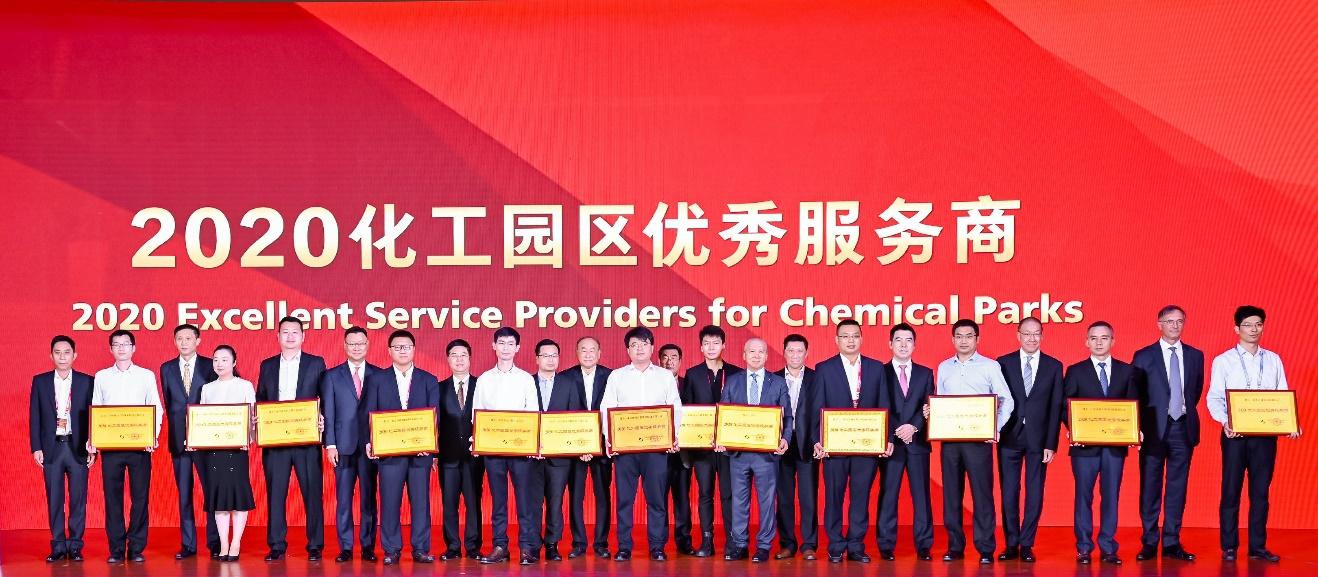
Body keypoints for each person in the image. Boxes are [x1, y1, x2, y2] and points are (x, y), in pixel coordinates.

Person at [1208, 305, 1300, 563]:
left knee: (1260, 492)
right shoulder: (1224, 361)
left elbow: (1282, 396)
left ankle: (1257, 546)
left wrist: (1290, 423)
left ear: (1263, 327)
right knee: (1231, 490)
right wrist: (1226, 421)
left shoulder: (1273, 360)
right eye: (1248, 325)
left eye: (1258, 324)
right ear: (1237, 328)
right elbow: (1214, 397)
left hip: (1265, 437)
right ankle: (1229, 546)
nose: (1253, 329)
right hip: (1234, 435)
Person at [930, 319, 1013, 564]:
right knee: (951, 495)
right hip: (950, 441)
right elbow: (940, 400)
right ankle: (955, 546)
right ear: (952, 339)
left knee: (982, 494)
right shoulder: (944, 367)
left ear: (977, 339)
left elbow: (1006, 400)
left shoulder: (990, 366)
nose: (963, 340)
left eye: (969, 336)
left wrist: (995, 429)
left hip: (979, 441)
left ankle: (985, 548)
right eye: (959, 336)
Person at [810, 319, 893, 564]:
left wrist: (886, 439)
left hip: (867, 446)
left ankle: (856, 545)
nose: (850, 340)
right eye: (845, 336)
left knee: (860, 498)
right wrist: (817, 440)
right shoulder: (824, 368)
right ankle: (836, 545)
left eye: (855, 335)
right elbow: (817, 407)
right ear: (837, 340)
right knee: (833, 498)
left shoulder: (876, 368)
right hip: (834, 446)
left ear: (861, 339)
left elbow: (884, 404)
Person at [600, 327, 683, 562]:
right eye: (634, 345)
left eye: (644, 344)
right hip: (625, 449)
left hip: (656, 449)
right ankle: (624, 546)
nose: (639, 349)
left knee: (656, 499)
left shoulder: (664, 376)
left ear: (652, 348)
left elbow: (675, 407)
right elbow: (607, 408)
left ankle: (657, 546)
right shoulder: (617, 376)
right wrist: (609, 438)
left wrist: (673, 435)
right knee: (624, 500)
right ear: (627, 349)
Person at [1063, 321, 1142, 565]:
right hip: (1083, 447)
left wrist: (1134, 430)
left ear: (1113, 341)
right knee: (1083, 497)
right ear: (1086, 341)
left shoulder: (1127, 371)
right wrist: (1073, 429)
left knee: (1110, 497)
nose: (1099, 342)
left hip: (1114, 447)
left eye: (1104, 338)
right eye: (1094, 338)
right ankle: (1084, 547)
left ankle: (1108, 547)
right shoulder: (1075, 371)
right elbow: (1065, 406)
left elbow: (1133, 405)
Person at [1132, 306, 1203, 562]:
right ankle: (1150, 541)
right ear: (1159, 324)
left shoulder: (1195, 355)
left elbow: (1195, 391)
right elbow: (1135, 393)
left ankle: (1172, 541)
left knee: (1177, 487)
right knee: (1150, 486)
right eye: (1169, 321)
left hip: (1183, 427)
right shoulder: (1143, 356)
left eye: (1179, 321)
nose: (1175, 325)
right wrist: (1138, 427)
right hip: (1153, 430)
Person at [364, 330, 440, 565]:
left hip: (420, 453)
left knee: (421, 502)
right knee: (389, 502)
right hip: (389, 454)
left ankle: (421, 549)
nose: (402, 351)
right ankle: (391, 550)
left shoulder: (429, 379)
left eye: (406, 346)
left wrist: (430, 443)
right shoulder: (377, 379)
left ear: (414, 349)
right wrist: (370, 441)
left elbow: (435, 416)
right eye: (397, 347)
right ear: (389, 351)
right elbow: (369, 412)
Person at [255, 316, 327, 562]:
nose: (290, 336)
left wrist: (322, 419)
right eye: (285, 331)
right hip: (275, 441)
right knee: (276, 494)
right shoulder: (267, 365)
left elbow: (325, 397)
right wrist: (259, 417)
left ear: (303, 336)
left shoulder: (316, 363)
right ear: (278, 336)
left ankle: (315, 545)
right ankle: (277, 544)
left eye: (295, 331)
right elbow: (261, 398)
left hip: (306, 440)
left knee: (312, 493)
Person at [89, 329, 163, 563]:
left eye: (126, 344)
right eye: (116, 344)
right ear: (110, 349)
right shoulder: (101, 376)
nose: (121, 348)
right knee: (113, 499)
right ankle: (117, 548)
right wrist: (94, 439)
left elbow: (156, 408)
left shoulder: (146, 376)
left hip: (140, 446)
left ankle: (137, 547)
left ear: (134, 348)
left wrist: (152, 436)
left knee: (140, 498)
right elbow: (96, 408)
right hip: (111, 448)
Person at [717, 338, 793, 563]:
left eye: (761, 352)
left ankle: (763, 546)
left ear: (767, 356)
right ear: (744, 355)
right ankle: (740, 544)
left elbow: (788, 416)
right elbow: (723, 415)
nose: (756, 356)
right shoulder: (732, 381)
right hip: (738, 454)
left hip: (767, 455)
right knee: (739, 501)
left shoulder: (778, 383)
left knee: (767, 502)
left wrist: (785, 439)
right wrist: (720, 437)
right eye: (752, 351)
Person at [995, 317, 1063, 563]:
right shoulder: (1003, 363)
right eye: (1027, 333)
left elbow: (1056, 406)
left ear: (1042, 336)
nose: (1032, 338)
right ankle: (1011, 543)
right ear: (1018, 335)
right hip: (1009, 436)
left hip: (1039, 439)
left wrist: (1051, 443)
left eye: (1036, 334)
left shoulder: (1054, 366)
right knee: (1009, 492)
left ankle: (1026, 544)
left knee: (1035, 493)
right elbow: (996, 400)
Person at [472, 327, 541, 565]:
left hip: (521, 449)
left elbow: (533, 412)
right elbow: (477, 413)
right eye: (501, 343)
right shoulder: (484, 379)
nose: (506, 348)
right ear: (494, 346)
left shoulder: (526, 379)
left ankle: (527, 548)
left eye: (511, 343)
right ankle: (500, 546)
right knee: (498, 501)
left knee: (525, 500)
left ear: (517, 348)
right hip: (493, 450)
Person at [30, 335, 94, 563]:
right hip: (52, 448)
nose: (62, 356)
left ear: (75, 355)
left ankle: (75, 545)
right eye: (57, 352)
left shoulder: (87, 381)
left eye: (67, 352)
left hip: (78, 447)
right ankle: (58, 545)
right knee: (54, 498)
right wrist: (36, 447)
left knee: (78, 498)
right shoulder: (40, 381)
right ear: (51, 356)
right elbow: (35, 415)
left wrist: (93, 446)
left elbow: (93, 415)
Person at [323, 327, 383, 563]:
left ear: (367, 345)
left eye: (361, 343)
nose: (357, 347)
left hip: (371, 447)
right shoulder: (332, 375)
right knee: (344, 500)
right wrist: (330, 444)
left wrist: (380, 442)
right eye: (352, 343)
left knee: (369, 499)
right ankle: (346, 547)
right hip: (342, 446)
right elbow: (328, 412)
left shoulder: (379, 375)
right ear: (345, 346)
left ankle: (368, 546)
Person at [160, 324, 219, 560]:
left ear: (198, 340)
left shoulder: (210, 365)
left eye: (188, 338)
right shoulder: (166, 368)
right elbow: (169, 404)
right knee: (184, 493)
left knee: (211, 491)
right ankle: (188, 543)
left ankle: (215, 541)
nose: (184, 342)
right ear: (174, 341)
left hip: (205, 439)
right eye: (179, 338)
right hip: (178, 439)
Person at [682, 325, 741, 557]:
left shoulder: (736, 373)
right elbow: (687, 409)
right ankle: (707, 540)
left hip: (729, 448)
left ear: (723, 345)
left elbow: (740, 410)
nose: (711, 347)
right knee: (705, 494)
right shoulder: (693, 374)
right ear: (701, 347)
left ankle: (732, 540)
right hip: (702, 448)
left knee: (729, 495)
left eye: (716, 343)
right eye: (706, 343)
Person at [876, 324, 934, 561]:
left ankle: (924, 544)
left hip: (917, 443)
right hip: (891, 444)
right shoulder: (880, 372)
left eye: (908, 340)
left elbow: (928, 405)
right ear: (890, 344)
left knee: (922, 496)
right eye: (898, 340)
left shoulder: (926, 373)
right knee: (888, 494)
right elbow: (879, 404)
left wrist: (914, 426)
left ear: (914, 344)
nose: (903, 344)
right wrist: (897, 430)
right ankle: (886, 544)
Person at [196, 345, 256, 562]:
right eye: (215, 359)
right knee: (218, 499)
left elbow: (252, 417)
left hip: (237, 450)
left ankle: (236, 542)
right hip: (214, 451)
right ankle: (223, 543)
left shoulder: (245, 385)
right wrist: (196, 439)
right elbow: (200, 419)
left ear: (234, 362)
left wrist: (248, 439)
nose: (219, 364)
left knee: (238, 497)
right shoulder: (207, 389)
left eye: (224, 359)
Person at [534, 339, 593, 562]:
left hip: (559, 457)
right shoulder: (526, 382)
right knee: (532, 503)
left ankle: (552, 544)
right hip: (531, 456)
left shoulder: (568, 384)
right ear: (537, 359)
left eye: (554, 355)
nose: (550, 360)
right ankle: (532, 544)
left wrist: (583, 446)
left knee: (555, 502)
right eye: (546, 355)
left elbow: (576, 418)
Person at [559, 336, 614, 559]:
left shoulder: (611, 376)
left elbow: (614, 411)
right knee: (576, 496)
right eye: (584, 350)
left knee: (603, 495)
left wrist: (597, 443)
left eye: (592, 350)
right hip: (575, 449)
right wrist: (580, 445)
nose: (588, 354)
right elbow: (562, 414)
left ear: (599, 353)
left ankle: (601, 543)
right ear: (576, 353)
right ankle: (579, 543)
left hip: (602, 446)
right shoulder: (565, 377)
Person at [773, 334, 819, 560]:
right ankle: (788, 544)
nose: (795, 355)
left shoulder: (816, 378)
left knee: (808, 497)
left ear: (806, 353)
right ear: (784, 352)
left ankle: (809, 544)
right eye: (790, 350)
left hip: (808, 443)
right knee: (784, 498)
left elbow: (822, 411)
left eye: (799, 351)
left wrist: (820, 439)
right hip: (781, 444)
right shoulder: (772, 378)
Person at [437, 339, 482, 561]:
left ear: (470, 358)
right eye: (454, 355)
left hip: (475, 456)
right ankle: (453, 546)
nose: (459, 359)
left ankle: (473, 546)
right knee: (449, 503)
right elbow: (432, 423)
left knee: (474, 503)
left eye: (463, 355)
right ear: (448, 359)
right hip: (448, 456)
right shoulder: (438, 388)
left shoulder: (482, 385)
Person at [659, 343, 694, 556]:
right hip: (658, 453)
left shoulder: (689, 384)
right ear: (659, 361)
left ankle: (684, 542)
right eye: (665, 357)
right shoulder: (652, 385)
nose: (669, 361)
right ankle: (658, 543)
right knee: (658, 500)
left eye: (673, 357)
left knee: (682, 500)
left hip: (683, 453)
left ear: (680, 362)